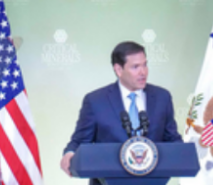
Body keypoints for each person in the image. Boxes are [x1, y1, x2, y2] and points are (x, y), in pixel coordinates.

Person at [60, 41, 182, 177]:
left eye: (145, 65)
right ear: (118, 70)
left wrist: (186, 153)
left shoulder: (162, 97)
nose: (143, 72)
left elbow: (172, 138)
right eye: (135, 67)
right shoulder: (95, 101)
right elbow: (80, 141)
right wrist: (70, 153)